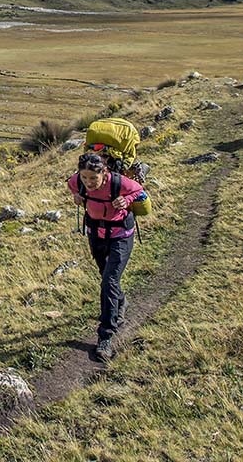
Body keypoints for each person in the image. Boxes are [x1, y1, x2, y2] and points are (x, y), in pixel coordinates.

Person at [68, 151, 149, 362]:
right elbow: (72, 185)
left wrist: (126, 199)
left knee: (109, 281)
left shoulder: (118, 182)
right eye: (85, 178)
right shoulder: (79, 180)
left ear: (104, 172)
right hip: (95, 234)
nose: (89, 182)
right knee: (107, 278)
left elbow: (141, 193)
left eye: (93, 178)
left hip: (121, 236)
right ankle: (120, 302)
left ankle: (106, 336)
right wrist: (77, 195)